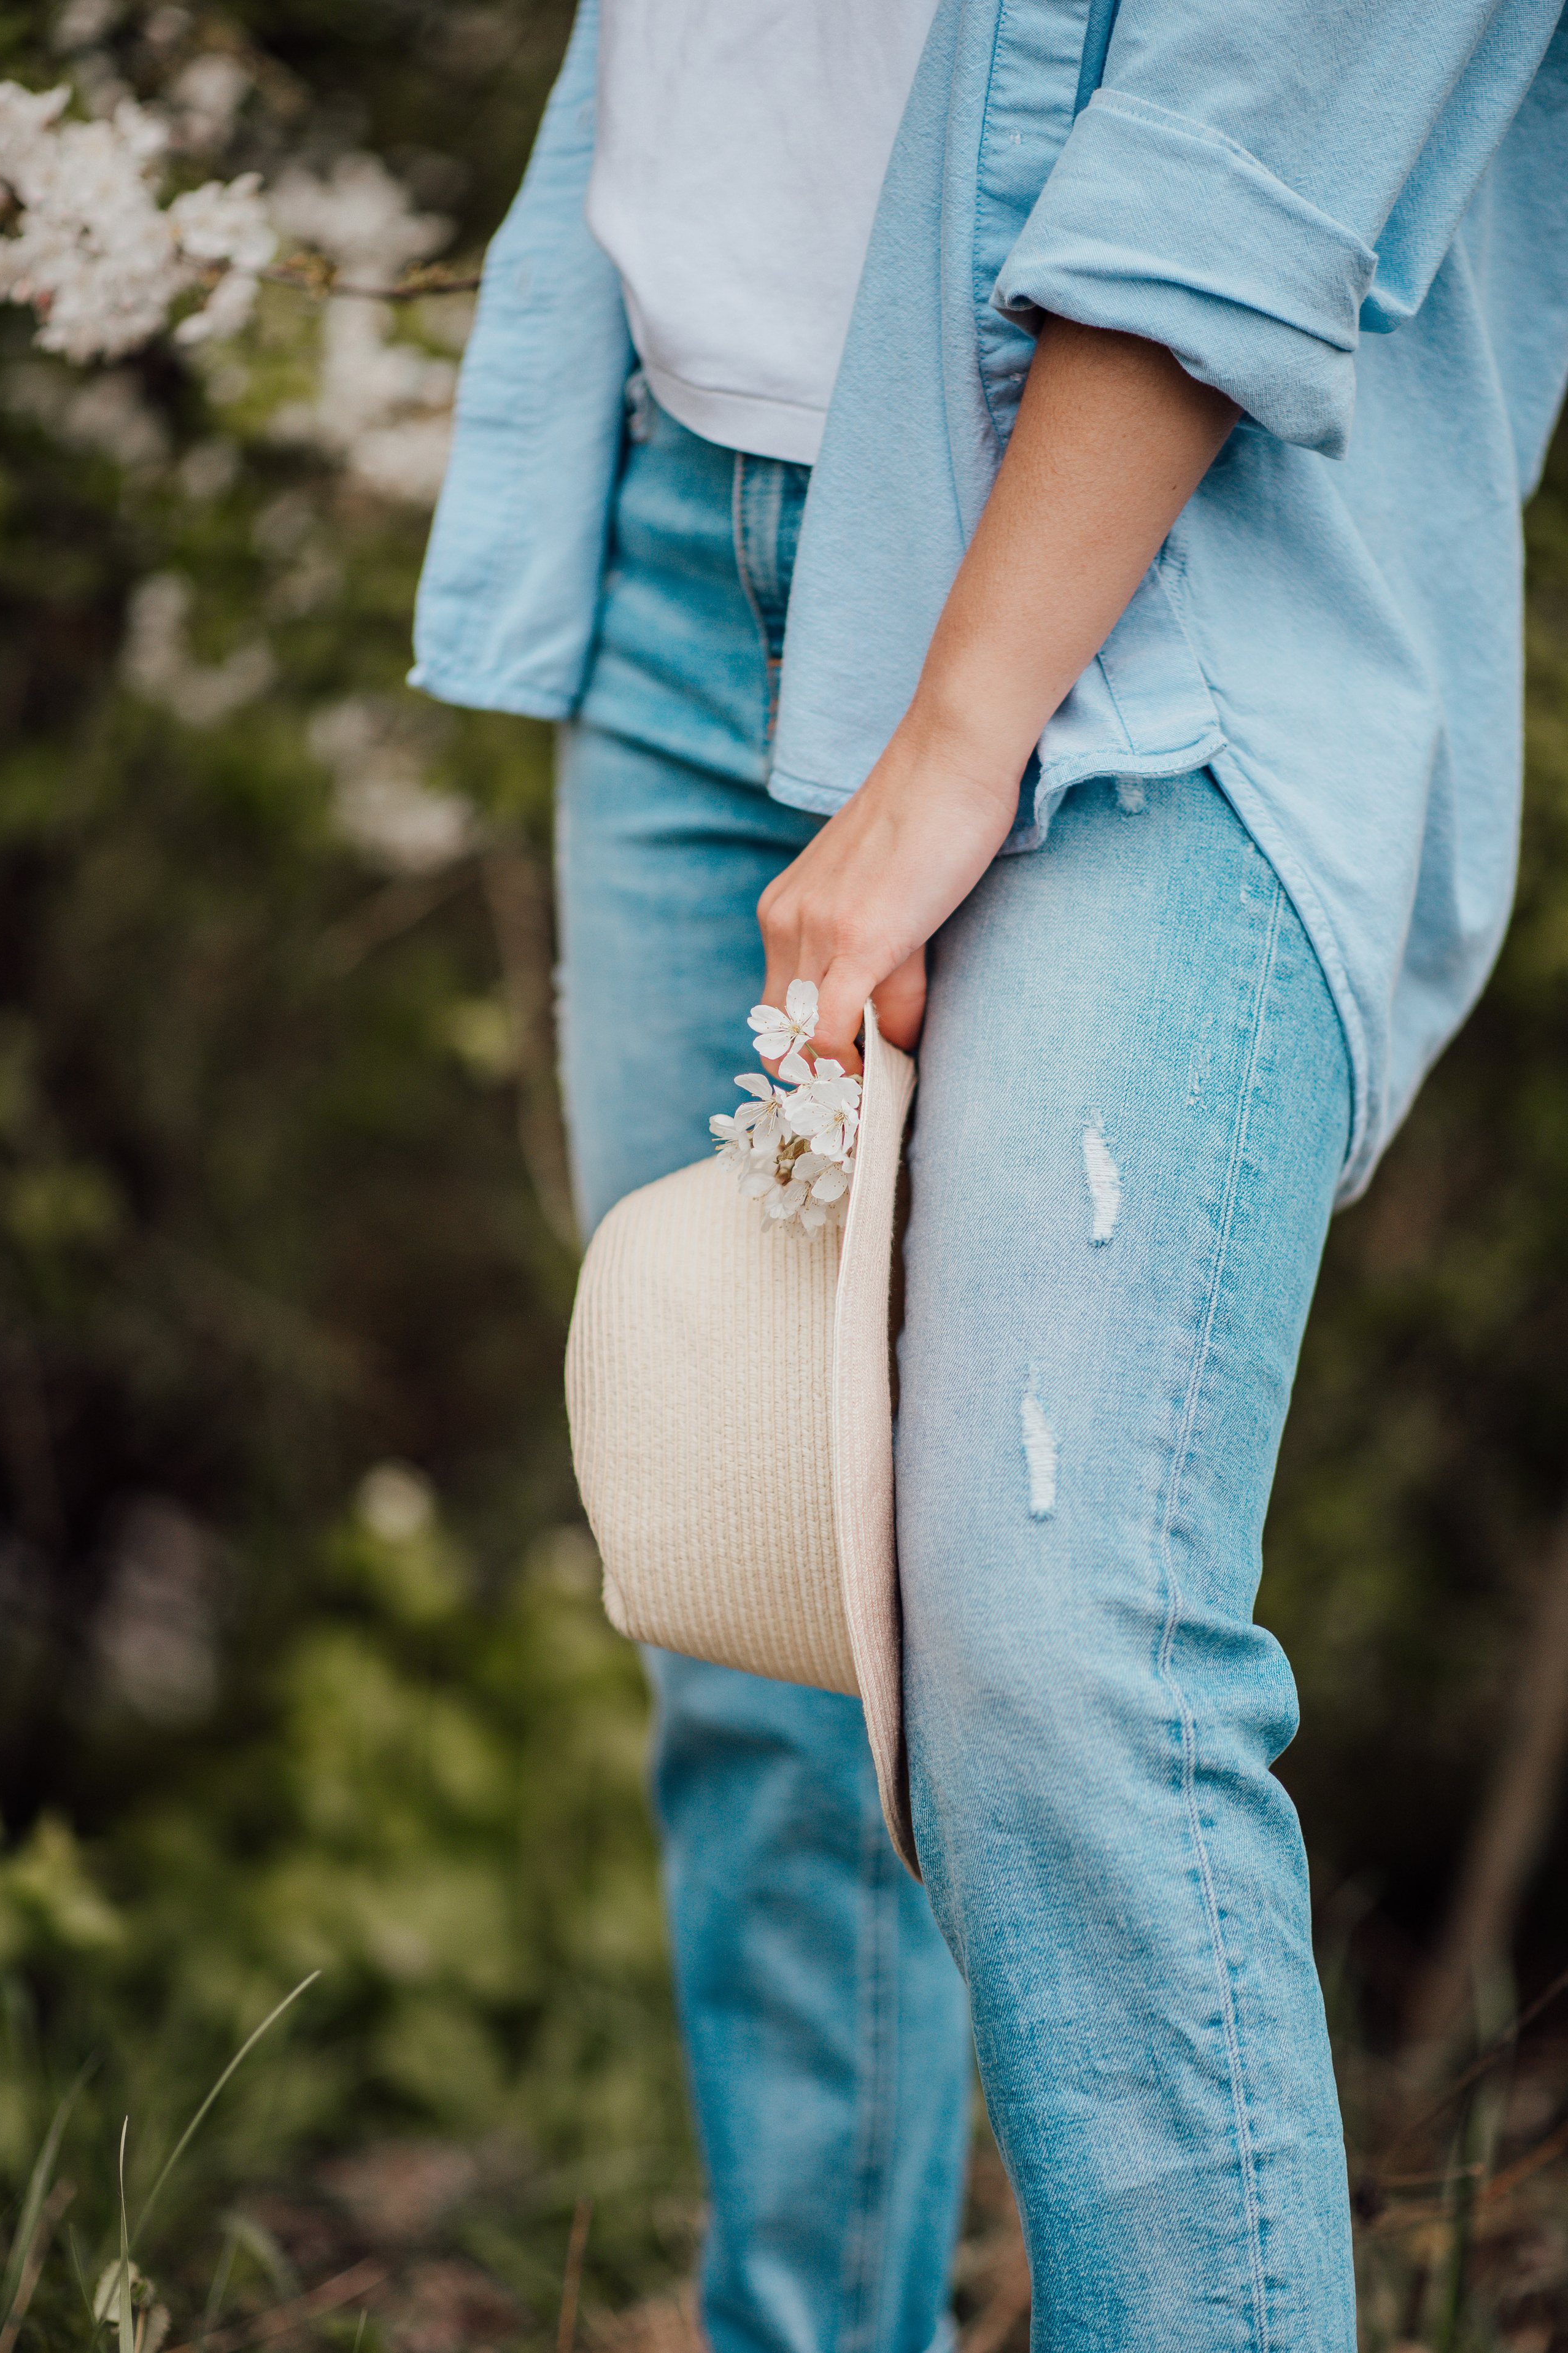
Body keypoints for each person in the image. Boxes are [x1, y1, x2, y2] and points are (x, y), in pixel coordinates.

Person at [413, 2, 1568, 2345]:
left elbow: (1280, 111)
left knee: (1054, 1654)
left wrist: (949, 745)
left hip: (1171, 567)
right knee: (760, 1590)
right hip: (680, 493)